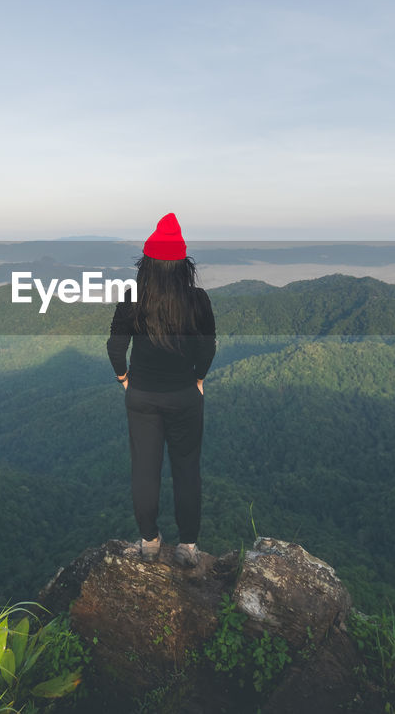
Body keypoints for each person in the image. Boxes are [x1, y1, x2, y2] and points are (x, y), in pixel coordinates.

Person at [107, 213, 216, 567]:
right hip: (184, 396)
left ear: (148, 264)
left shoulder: (133, 297)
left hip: (142, 399)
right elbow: (207, 347)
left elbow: (114, 347)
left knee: (144, 470)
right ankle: (188, 546)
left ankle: (150, 541)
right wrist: (199, 379)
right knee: (186, 469)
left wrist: (125, 379)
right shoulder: (197, 300)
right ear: (183, 265)